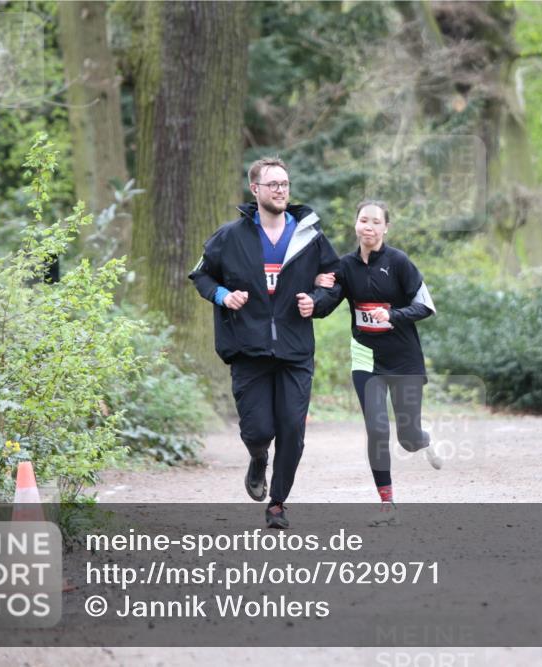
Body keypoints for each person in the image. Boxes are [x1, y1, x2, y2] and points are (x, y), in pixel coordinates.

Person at [189, 157, 340, 529]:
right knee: (258, 430)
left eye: (285, 184)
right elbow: (201, 275)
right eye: (273, 184)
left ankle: (277, 503)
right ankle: (258, 457)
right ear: (254, 189)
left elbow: (335, 281)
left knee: (292, 428)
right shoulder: (230, 236)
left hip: (294, 348)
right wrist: (224, 296)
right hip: (248, 348)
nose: (281, 190)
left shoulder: (309, 236)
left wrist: (316, 302)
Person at [314, 200, 441, 526]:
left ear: (385, 228)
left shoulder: (399, 262)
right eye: (363, 220)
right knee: (377, 428)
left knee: (407, 439)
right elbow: (326, 306)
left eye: (375, 222)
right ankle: (387, 504)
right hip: (365, 356)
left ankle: (423, 437)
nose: (368, 227)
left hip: (403, 357)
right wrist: (317, 291)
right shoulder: (344, 266)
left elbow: (426, 307)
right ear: (356, 225)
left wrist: (393, 315)